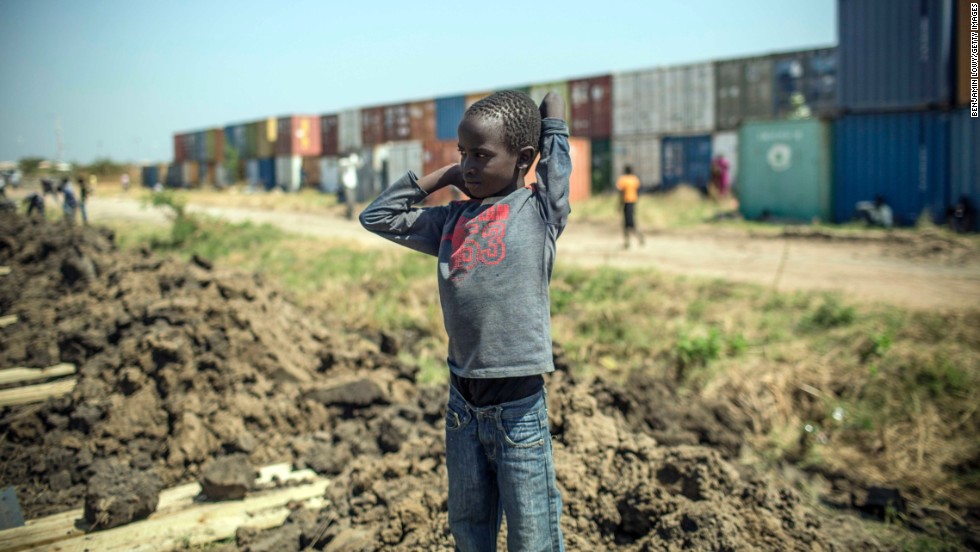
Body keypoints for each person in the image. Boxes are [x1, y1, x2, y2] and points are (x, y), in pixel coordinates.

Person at [360, 91, 568, 551]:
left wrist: (553, 122)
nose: (469, 165)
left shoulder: (538, 212)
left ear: (524, 159)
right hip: (463, 407)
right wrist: (446, 175)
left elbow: (555, 160)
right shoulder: (449, 221)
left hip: (519, 411)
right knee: (469, 532)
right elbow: (376, 217)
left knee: (533, 538)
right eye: (463, 154)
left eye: (481, 155)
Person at [615, 165, 645, 249]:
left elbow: (621, 193)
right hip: (633, 202)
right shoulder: (635, 179)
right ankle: (627, 242)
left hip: (626, 202)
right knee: (628, 223)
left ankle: (636, 238)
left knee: (628, 224)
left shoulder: (623, 180)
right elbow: (639, 190)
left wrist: (619, 205)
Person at [340, 153, 361, 220]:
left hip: (353, 184)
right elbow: (343, 165)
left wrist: (356, 161)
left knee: (353, 201)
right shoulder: (344, 162)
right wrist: (351, 161)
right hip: (347, 184)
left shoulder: (353, 164)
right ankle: (349, 215)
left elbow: (360, 164)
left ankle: (351, 214)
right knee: (350, 200)